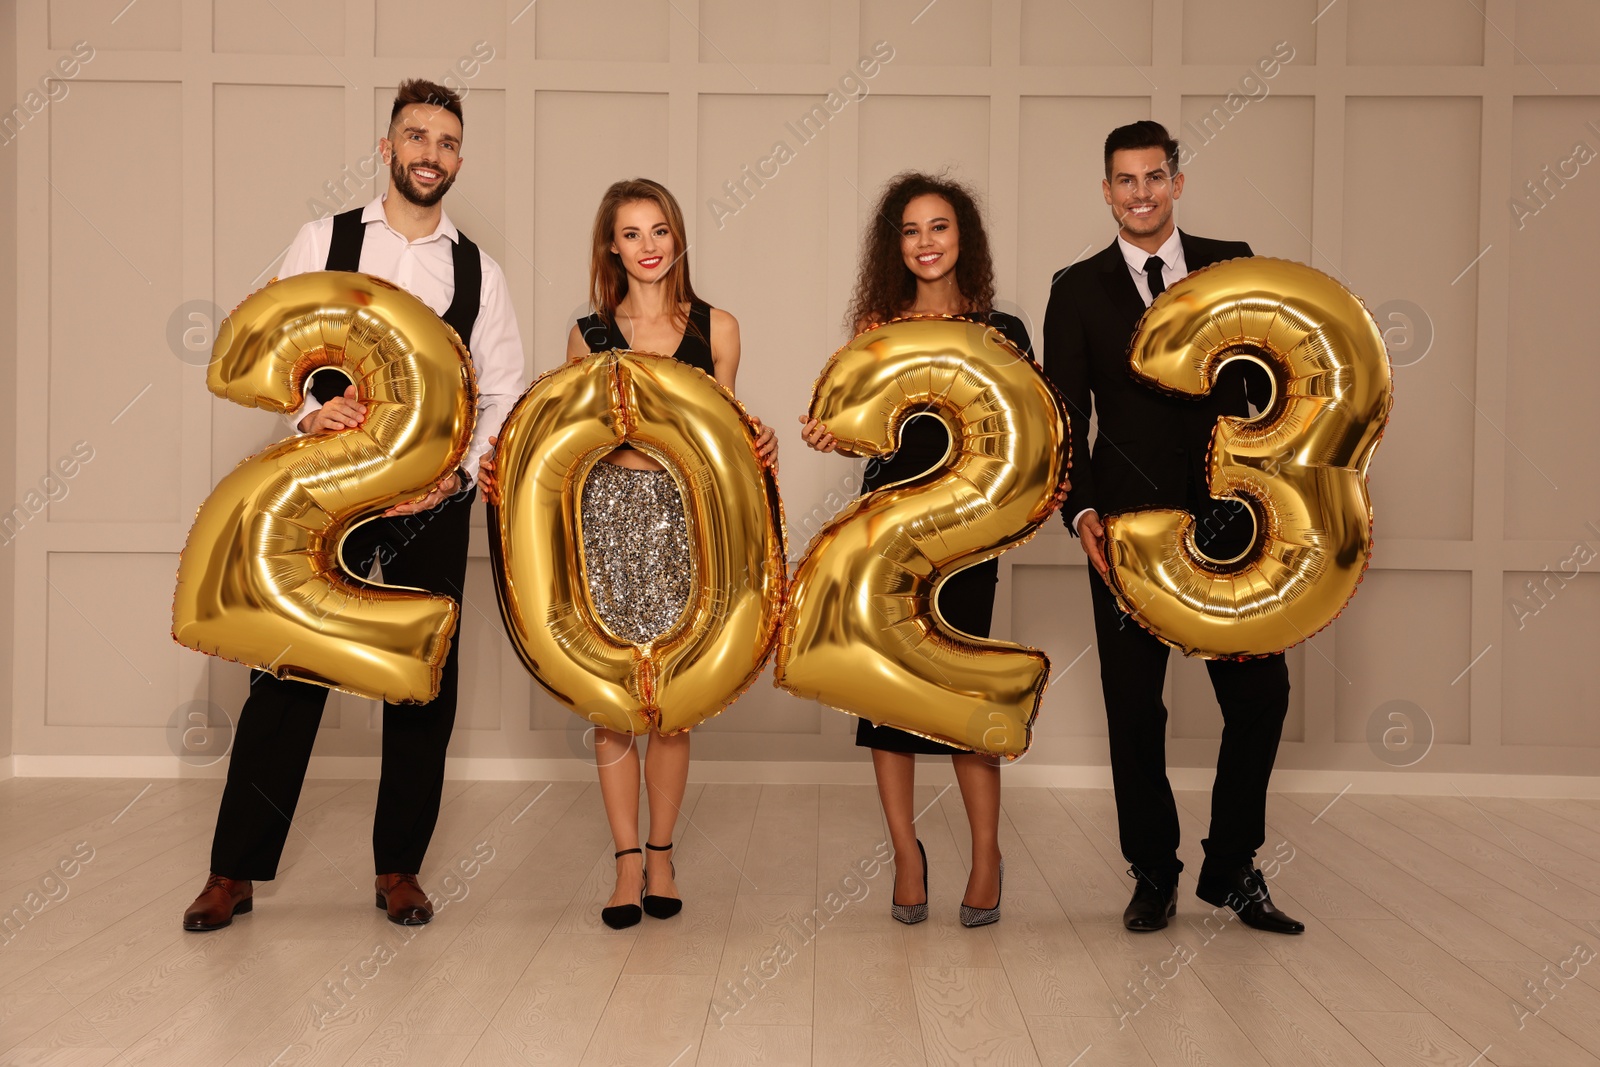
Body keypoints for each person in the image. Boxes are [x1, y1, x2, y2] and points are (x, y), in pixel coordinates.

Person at [182, 79, 525, 932]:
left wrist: (461, 478)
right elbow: (275, 344)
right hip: (323, 497)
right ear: (387, 147)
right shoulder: (324, 238)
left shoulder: (479, 270)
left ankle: (398, 868)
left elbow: (506, 393)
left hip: (431, 502)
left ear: (458, 158)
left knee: (419, 683)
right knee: (288, 670)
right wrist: (308, 411)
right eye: (416, 137)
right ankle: (234, 871)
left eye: (446, 143)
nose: (429, 154)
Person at [482, 178, 776, 930]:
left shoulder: (720, 327)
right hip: (605, 518)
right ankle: (623, 866)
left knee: (673, 701)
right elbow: (563, 440)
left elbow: (729, 436)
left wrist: (761, 440)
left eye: (659, 231)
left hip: (688, 523)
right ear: (611, 245)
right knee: (612, 699)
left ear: (677, 238)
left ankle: (663, 853)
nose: (648, 247)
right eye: (632, 233)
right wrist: (504, 468)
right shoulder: (589, 335)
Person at [1042, 120, 1303, 935]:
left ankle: (1231, 867)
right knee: (1134, 705)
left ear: (1178, 182)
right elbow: (1061, 416)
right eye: (1125, 180)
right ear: (1107, 190)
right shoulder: (1076, 287)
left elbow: (1277, 382)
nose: (1141, 194)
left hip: (1234, 520)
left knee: (1260, 694)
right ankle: (1152, 870)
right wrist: (1080, 511)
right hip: (1124, 530)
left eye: (1155, 177)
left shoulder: (1232, 262)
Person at [798, 172, 1035, 927]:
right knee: (885, 698)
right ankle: (906, 852)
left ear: (963, 236)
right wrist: (827, 434)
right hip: (888, 530)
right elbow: (862, 433)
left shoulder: (1005, 330)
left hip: (969, 533)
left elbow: (1038, 433)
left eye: (939, 227)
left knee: (963, 693)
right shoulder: (879, 327)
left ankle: (987, 855)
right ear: (893, 246)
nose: (926, 242)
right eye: (910, 230)